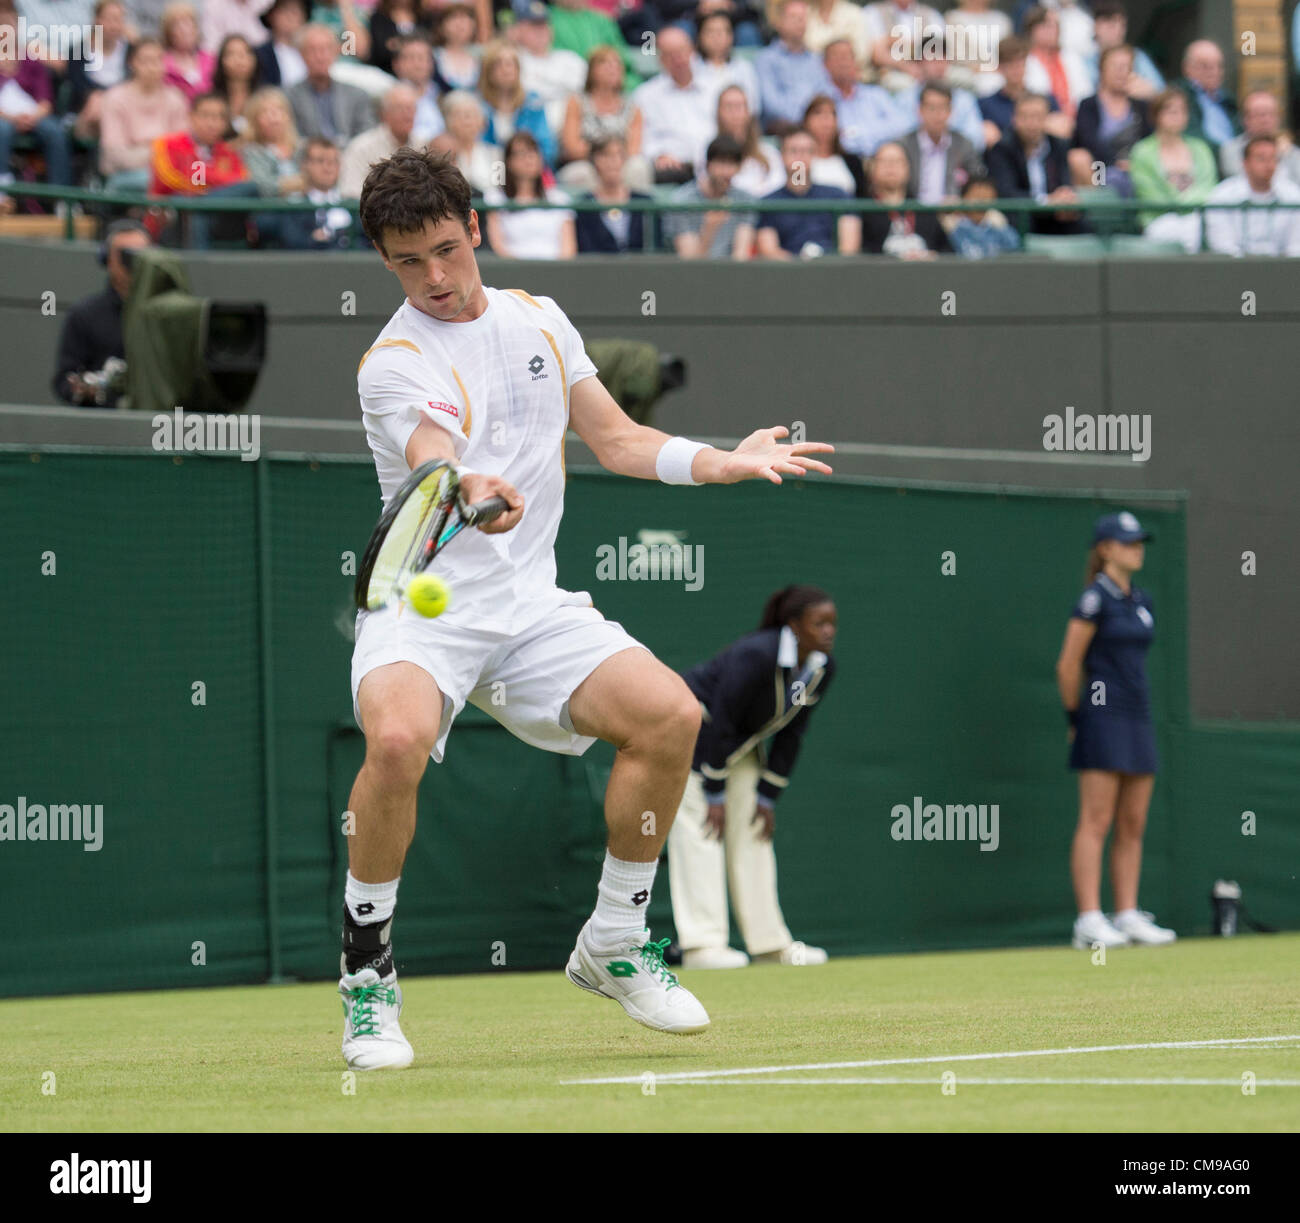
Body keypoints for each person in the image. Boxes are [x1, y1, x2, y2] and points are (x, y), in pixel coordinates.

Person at [340, 146, 834, 1068]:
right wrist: (469, 484)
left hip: (528, 606)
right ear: (385, 261)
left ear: (476, 228)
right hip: (422, 606)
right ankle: (368, 979)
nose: (435, 277)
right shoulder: (392, 362)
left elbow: (617, 438)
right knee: (398, 742)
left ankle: (613, 939)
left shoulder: (540, 321)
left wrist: (718, 458)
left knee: (671, 715)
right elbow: (431, 453)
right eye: (409, 262)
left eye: (446, 249)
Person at [668, 585, 837, 969]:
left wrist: (767, 797)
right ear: (794, 626)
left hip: (737, 745)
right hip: (694, 728)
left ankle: (769, 945)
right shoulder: (756, 653)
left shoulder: (822, 668)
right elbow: (722, 719)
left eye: (832, 624)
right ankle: (702, 947)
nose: (829, 631)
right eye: (819, 623)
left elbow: (792, 733)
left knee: (754, 828)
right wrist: (714, 793)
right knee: (702, 828)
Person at [1056, 511, 1176, 951]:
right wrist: (1076, 718)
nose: (1137, 548)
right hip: (1101, 717)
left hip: (1138, 717)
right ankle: (1089, 920)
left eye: (1140, 541)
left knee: (1133, 821)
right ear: (1105, 548)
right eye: (1127, 542)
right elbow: (1068, 665)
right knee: (1097, 819)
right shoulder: (1093, 600)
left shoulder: (1142, 600)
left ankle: (1126, 914)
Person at [53, 219, 152, 408]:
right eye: (126, 255)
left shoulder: (167, 315)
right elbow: (64, 380)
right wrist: (82, 390)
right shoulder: (85, 314)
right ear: (107, 259)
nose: (134, 263)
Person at [150, 91, 258, 247]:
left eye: (219, 118)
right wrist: (212, 181)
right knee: (195, 212)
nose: (212, 123)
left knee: (250, 188)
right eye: (205, 116)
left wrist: (203, 181)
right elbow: (167, 179)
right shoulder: (167, 143)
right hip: (173, 215)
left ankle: (201, 206)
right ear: (191, 116)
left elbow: (240, 182)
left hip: (218, 217)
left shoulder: (229, 152)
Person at [986, 91, 1086, 234]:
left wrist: (1066, 197)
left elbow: (1065, 182)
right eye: (1025, 117)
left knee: (1083, 224)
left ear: (1047, 118)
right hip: (1022, 215)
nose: (1031, 123)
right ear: (1014, 118)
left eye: (1037, 116)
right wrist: (1046, 201)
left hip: (1054, 215)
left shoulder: (1059, 145)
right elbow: (1006, 193)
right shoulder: (1002, 149)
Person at [98, 36, 190, 193]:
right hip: (125, 175)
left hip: (169, 173)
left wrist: (151, 153)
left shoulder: (176, 98)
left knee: (198, 180)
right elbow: (115, 154)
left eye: (158, 60)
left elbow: (182, 147)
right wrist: (160, 152)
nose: (153, 67)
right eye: (146, 61)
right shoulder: (115, 97)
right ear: (132, 63)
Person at [1129, 87, 1217, 250]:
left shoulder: (1201, 148)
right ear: (1157, 115)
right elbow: (1150, 195)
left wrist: (1185, 206)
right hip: (1159, 221)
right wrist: (1185, 204)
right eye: (1171, 111)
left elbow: (1209, 188)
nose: (1178, 116)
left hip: (1198, 219)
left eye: (1182, 111)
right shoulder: (1142, 152)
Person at [0, 4, 72, 202]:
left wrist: (31, 117)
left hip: (33, 116)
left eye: (10, 23)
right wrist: (12, 118)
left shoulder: (31, 59)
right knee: (2, 130)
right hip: (4, 118)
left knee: (56, 132)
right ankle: (2, 192)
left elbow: (46, 102)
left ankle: (61, 198)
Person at [756, 127, 861, 256]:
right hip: (788, 273)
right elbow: (769, 251)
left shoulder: (838, 195)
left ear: (815, 155)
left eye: (807, 151)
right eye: (794, 151)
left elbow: (849, 248)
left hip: (832, 271)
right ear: (782, 156)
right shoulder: (768, 203)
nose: (800, 157)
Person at [557, 44, 648, 193]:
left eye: (616, 64)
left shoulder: (633, 107)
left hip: (621, 164)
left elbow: (633, 148)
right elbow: (572, 147)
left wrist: (613, 161)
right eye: (605, 63)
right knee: (581, 173)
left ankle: (633, 214)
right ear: (592, 71)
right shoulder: (576, 102)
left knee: (638, 167)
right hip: (586, 163)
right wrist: (604, 158)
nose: (612, 68)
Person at [629, 25, 714, 184]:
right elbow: (640, 137)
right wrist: (658, 154)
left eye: (682, 52)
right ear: (660, 59)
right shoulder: (645, 95)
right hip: (670, 168)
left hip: (715, 164)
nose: (679, 60)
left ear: (692, 51)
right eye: (671, 55)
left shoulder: (715, 87)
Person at [1068, 43, 1149, 196]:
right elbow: (1087, 141)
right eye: (1116, 66)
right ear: (1102, 69)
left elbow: (1150, 140)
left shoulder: (1141, 105)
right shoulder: (1089, 104)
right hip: (1101, 167)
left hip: (1137, 168)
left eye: (1126, 66)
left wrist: (1135, 164)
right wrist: (1116, 163)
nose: (1121, 72)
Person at [483, 128, 576, 257]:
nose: (529, 159)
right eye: (521, 153)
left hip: (556, 273)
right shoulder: (495, 198)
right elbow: (498, 246)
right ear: (508, 162)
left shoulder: (560, 199)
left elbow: (568, 249)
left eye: (533, 152)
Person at [661, 134, 757, 259]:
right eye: (721, 163)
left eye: (732, 164)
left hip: (731, 274)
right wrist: (710, 228)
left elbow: (741, 254)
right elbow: (689, 263)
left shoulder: (746, 200)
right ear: (708, 165)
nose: (726, 172)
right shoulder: (681, 201)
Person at [1204, 135, 1300, 257]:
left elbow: (1296, 249)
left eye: (1273, 158)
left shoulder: (1295, 196)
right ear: (1245, 163)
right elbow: (1223, 247)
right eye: (1261, 158)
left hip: (1285, 272)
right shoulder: (1221, 197)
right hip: (1234, 272)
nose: (1268, 164)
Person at [286, 23, 376, 145]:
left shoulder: (357, 95)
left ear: (336, 52)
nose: (320, 57)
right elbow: (291, 139)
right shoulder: (288, 96)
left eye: (325, 49)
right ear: (301, 55)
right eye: (312, 50)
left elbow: (367, 136)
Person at [822, 38, 910, 162]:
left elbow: (901, 125)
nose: (844, 62)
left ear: (855, 62)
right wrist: (877, 129)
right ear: (825, 64)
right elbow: (831, 139)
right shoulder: (822, 100)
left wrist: (856, 133)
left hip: (878, 160)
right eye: (838, 57)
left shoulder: (875, 94)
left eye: (848, 56)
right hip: (843, 161)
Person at [899, 80, 986, 202]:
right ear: (919, 110)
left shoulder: (964, 145)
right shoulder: (904, 145)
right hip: (914, 214)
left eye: (943, 108)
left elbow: (977, 182)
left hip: (953, 215)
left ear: (951, 111)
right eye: (931, 108)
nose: (937, 114)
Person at [860, 139, 951, 255]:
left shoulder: (924, 212)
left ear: (908, 168)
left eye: (897, 161)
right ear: (872, 168)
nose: (891, 167)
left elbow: (947, 253)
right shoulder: (863, 212)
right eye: (884, 161)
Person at [510, 0, 586, 133]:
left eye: (544, 25)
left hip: (572, 129)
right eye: (533, 26)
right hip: (528, 130)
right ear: (518, 30)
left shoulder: (571, 59)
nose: (540, 31)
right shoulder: (512, 60)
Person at [979, 34, 1069, 147]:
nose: (1015, 69)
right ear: (999, 67)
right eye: (1009, 64)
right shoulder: (986, 104)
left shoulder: (1045, 99)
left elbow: (1063, 128)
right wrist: (1041, 125)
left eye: (1019, 63)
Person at [477, 39, 555, 166]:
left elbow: (546, 147)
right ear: (488, 71)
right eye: (498, 65)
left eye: (510, 64)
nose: (505, 70)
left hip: (528, 170)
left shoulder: (533, 103)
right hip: (491, 170)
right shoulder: (477, 106)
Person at [574, 133, 653, 252]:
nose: (613, 161)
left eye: (619, 155)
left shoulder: (645, 202)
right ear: (593, 160)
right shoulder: (584, 205)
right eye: (605, 155)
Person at [755, 0, 824, 136]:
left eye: (803, 18)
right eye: (793, 17)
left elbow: (823, 93)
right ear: (779, 22)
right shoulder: (766, 59)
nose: (800, 22)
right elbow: (771, 105)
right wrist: (805, 119)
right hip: (782, 130)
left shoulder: (816, 60)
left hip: (815, 128)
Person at [704, 84, 784, 198]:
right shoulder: (706, 150)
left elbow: (777, 189)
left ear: (749, 112)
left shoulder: (769, 153)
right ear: (718, 113)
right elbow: (707, 188)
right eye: (728, 106)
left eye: (739, 106)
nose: (734, 112)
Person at [340, 83, 419, 197]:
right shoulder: (361, 147)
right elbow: (350, 192)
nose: (407, 114)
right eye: (400, 108)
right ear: (384, 114)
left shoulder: (423, 144)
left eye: (411, 108)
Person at [280, 135, 358, 246]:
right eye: (320, 161)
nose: (328, 168)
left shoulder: (351, 205)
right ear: (305, 165)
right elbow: (292, 241)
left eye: (333, 162)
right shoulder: (293, 207)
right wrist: (313, 240)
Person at [1021, 5, 1090, 124]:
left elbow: (1084, 92)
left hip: (1076, 120)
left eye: (1056, 25)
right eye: (1046, 25)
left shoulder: (1071, 58)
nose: (1052, 30)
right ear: (1032, 29)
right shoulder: (1024, 61)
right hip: (1041, 121)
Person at [1219, 90, 1300, 187]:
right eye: (1259, 115)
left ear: (1278, 118)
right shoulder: (1231, 149)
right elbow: (1245, 184)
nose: (1265, 120)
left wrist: (1283, 155)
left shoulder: (1292, 152)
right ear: (1245, 119)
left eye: (1270, 114)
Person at [1085, 1, 1162, 100]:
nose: (1118, 31)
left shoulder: (1138, 57)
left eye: (1122, 25)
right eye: (1111, 24)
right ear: (1096, 26)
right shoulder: (1084, 62)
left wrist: (1151, 92)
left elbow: (1163, 94)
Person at [1174, 39, 1238, 155]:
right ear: (1186, 68)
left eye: (1219, 66)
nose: (1214, 71)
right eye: (1205, 66)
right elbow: (1192, 136)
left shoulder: (1228, 99)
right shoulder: (1179, 96)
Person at [692, 10, 760, 118]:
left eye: (722, 31)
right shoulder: (691, 68)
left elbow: (753, 107)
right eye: (710, 31)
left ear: (731, 36)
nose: (716, 37)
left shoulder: (744, 68)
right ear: (700, 36)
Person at [939, 172, 1020, 256]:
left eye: (987, 198)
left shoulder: (997, 225)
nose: (981, 203)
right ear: (964, 198)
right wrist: (951, 230)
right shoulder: (953, 226)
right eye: (976, 197)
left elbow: (1014, 247)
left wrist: (1002, 227)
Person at [438, 88, 498, 192]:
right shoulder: (441, 154)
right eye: (460, 115)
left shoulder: (496, 154)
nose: (468, 122)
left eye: (473, 115)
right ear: (448, 121)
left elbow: (499, 192)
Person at [391, 34, 445, 146]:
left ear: (431, 63)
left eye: (422, 58)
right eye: (411, 58)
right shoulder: (389, 98)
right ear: (396, 64)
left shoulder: (441, 96)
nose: (417, 64)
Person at [160, 2, 216, 101]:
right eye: (177, 24)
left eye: (188, 22)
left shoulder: (210, 59)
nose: (184, 29)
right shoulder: (162, 62)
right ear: (168, 32)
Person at [212, 33, 264, 135]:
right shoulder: (213, 100)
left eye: (246, 53)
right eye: (231, 54)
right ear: (221, 61)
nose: (239, 59)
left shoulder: (264, 97)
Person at [254, 0, 309, 88]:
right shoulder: (260, 54)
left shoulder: (311, 51)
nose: (290, 17)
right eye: (285, 11)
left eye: (295, 12)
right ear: (271, 17)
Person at [431, 3, 481, 91]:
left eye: (465, 18)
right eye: (454, 17)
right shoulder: (433, 57)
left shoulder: (483, 56)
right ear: (441, 26)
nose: (460, 23)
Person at [203, 0, 274, 52]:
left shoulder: (267, 3)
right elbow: (212, 45)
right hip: (227, 61)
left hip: (264, 57)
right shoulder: (214, 5)